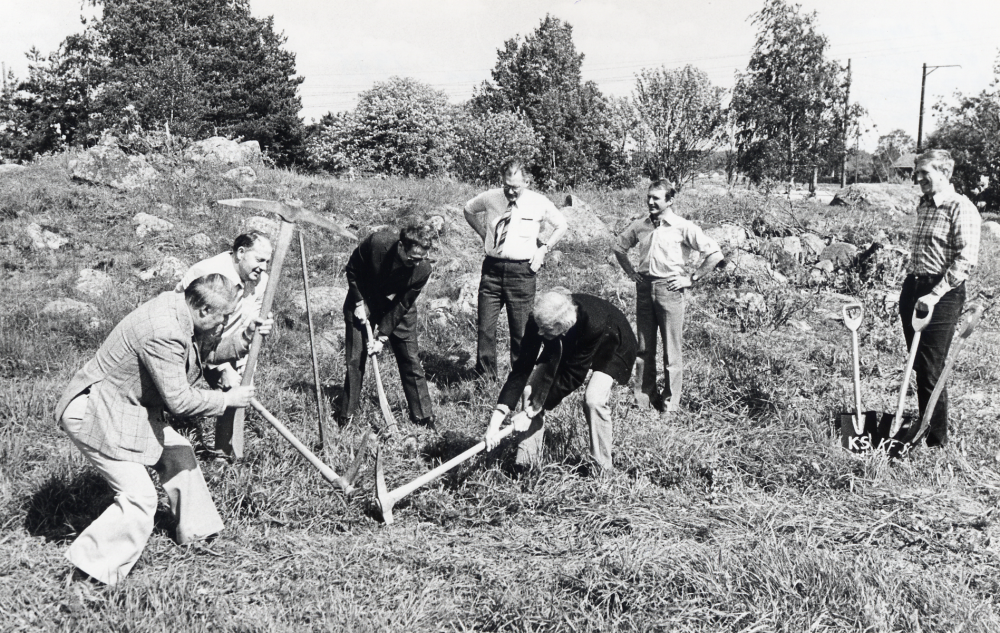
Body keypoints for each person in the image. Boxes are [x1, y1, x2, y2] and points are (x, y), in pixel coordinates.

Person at [54, 274, 271, 585]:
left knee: (179, 453)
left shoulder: (182, 309)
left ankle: (198, 533)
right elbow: (180, 401)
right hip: (97, 412)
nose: (226, 322)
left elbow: (202, 352)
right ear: (204, 311)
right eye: (224, 317)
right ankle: (90, 574)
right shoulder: (163, 330)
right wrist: (227, 400)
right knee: (139, 497)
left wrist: (244, 339)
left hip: (130, 408)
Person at [484, 290, 637, 471]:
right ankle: (526, 464)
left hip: (612, 341)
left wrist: (529, 413)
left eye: (545, 330)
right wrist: (495, 421)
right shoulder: (541, 320)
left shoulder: (591, 324)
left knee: (593, 400)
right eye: (539, 326)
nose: (539, 332)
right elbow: (521, 368)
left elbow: (572, 376)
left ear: (563, 328)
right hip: (567, 340)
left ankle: (601, 467)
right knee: (530, 391)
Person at [613, 179, 723, 419]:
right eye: (649, 197)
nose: (651, 202)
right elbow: (619, 247)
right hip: (644, 289)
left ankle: (670, 404)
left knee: (672, 351)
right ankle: (643, 398)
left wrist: (691, 279)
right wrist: (631, 273)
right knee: (644, 348)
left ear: (670, 200)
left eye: (657, 198)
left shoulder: (682, 226)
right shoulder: (640, 225)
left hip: (670, 289)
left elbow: (714, 253)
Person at [902, 149, 981, 447]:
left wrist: (934, 295)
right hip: (914, 288)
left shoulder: (961, 207)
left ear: (944, 173)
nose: (918, 177)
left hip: (942, 294)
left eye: (925, 172)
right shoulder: (924, 205)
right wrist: (914, 288)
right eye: (917, 172)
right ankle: (923, 425)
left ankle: (936, 442)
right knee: (918, 363)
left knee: (931, 366)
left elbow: (965, 260)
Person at [464, 159, 568, 377]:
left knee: (521, 331)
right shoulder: (490, 197)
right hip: (492, 270)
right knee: (485, 328)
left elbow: (561, 225)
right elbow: (468, 209)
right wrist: (484, 234)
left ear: (527, 182)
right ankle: (485, 376)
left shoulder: (538, 202)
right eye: (506, 186)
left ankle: (520, 377)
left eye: (515, 187)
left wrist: (544, 249)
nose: (510, 192)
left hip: (522, 272)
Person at [341, 222, 437, 428]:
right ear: (401, 246)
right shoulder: (377, 243)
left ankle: (422, 415)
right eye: (412, 258)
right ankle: (347, 414)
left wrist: (382, 337)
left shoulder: (422, 269)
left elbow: (403, 303)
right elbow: (352, 270)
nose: (416, 264)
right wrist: (359, 303)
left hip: (398, 306)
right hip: (364, 297)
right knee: (355, 357)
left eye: (421, 259)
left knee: (410, 357)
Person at [177, 232, 273, 388]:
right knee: (183, 398)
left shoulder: (262, 282)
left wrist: (246, 373)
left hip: (230, 344)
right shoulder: (207, 274)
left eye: (267, 262)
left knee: (237, 392)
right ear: (241, 253)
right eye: (259, 260)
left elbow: (249, 327)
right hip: (190, 343)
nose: (264, 267)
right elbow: (192, 331)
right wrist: (223, 369)